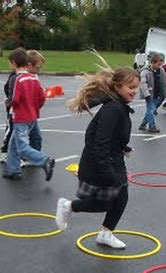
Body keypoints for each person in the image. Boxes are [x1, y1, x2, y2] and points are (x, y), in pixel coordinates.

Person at [55, 67, 140, 249]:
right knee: (104, 202)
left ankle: (105, 233)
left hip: (113, 160)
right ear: (117, 87)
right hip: (100, 163)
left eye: (136, 87)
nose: (134, 91)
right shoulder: (113, 109)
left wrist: (122, 147)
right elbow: (97, 140)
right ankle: (67, 206)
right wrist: (107, 169)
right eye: (130, 87)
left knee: (121, 197)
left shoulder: (119, 106)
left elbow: (110, 136)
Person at [2, 56, 55, 181]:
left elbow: (15, 98)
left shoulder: (17, 79)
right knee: (13, 144)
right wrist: (35, 108)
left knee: (22, 146)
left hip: (20, 117)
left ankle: (44, 161)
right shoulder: (34, 78)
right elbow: (41, 97)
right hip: (32, 116)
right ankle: (13, 170)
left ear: (13, 63)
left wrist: (8, 103)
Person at [0, 48, 28, 163]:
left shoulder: (24, 77)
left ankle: (20, 153)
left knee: (22, 134)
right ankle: (5, 151)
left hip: (23, 112)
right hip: (13, 111)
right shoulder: (13, 77)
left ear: (13, 63)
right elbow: (10, 92)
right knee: (11, 131)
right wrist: (9, 102)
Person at [138, 54, 166, 133]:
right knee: (151, 110)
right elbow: (143, 84)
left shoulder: (161, 71)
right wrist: (146, 94)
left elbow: (164, 82)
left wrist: (165, 92)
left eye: (161, 64)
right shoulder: (145, 71)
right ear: (152, 63)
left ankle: (143, 124)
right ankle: (152, 126)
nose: (160, 66)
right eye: (158, 64)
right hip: (149, 94)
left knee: (151, 110)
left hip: (157, 94)